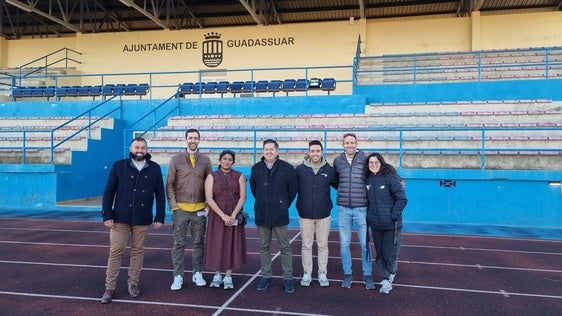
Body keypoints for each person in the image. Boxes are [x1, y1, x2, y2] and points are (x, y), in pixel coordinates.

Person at [100, 137, 165, 304]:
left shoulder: (155, 168)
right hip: (120, 217)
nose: (140, 150)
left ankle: (133, 284)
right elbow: (108, 192)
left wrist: (160, 216)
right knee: (116, 252)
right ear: (131, 149)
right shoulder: (118, 166)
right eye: (137, 147)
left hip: (142, 218)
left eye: (143, 147)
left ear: (147, 149)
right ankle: (110, 288)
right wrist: (107, 214)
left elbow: (160, 194)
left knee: (137, 252)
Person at [250, 139, 299, 293]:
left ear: (277, 151)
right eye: (266, 149)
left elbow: (293, 189)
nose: (269, 151)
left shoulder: (287, 168)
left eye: (272, 149)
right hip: (262, 214)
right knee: (264, 247)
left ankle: (288, 278)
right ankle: (266, 276)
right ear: (263, 151)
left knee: (285, 247)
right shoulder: (256, 168)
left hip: (279, 214)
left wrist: (283, 203)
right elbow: (254, 189)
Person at [166, 128, 212, 290]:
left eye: (195, 138)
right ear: (186, 139)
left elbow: (210, 185)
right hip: (180, 210)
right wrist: (174, 207)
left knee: (199, 242)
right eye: (190, 138)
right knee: (178, 243)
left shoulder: (206, 160)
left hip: (199, 210)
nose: (193, 140)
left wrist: (208, 206)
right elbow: (169, 184)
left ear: (199, 140)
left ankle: (197, 272)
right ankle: (178, 276)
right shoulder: (176, 159)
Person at [332, 132, 374, 289]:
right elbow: (336, 181)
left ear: (357, 143)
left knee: (364, 244)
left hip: (362, 208)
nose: (349, 145)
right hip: (343, 208)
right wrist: (344, 191)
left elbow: (376, 174)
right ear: (343, 144)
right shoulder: (337, 161)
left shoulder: (365, 159)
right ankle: (347, 273)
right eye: (347, 143)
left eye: (352, 142)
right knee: (344, 244)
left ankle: (367, 274)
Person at [295, 140, 338, 287]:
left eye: (317, 151)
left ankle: (322, 273)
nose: (315, 153)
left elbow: (341, 185)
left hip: (324, 215)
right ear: (309, 152)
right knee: (306, 246)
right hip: (305, 215)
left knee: (323, 246)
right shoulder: (299, 170)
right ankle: (307, 274)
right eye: (312, 151)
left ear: (322, 152)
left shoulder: (330, 170)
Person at [203, 150, 247, 290]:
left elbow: (242, 197)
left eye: (229, 159)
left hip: (233, 213)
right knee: (217, 243)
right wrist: (222, 215)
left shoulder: (239, 176)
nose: (226, 161)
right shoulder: (211, 176)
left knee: (231, 244)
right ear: (220, 160)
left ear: (233, 162)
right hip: (217, 214)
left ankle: (228, 275)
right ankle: (217, 274)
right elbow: (209, 198)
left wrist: (233, 215)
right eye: (224, 159)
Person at [365, 152, 407, 294]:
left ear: (381, 163)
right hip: (376, 225)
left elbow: (402, 199)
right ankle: (385, 277)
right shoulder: (368, 180)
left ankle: (390, 276)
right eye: (371, 163)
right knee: (380, 253)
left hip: (391, 225)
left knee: (390, 253)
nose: (374, 165)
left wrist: (393, 216)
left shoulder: (390, 178)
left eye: (376, 162)